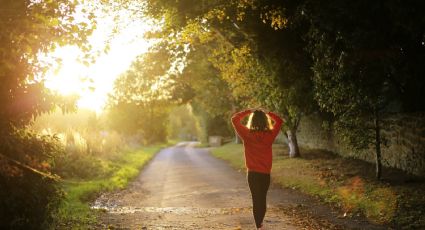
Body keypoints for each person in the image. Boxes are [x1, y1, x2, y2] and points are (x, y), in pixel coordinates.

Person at [231, 108, 283, 230]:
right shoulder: (270, 135)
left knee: (256, 199)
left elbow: (234, 119)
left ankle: (258, 226)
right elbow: (279, 121)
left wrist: (248, 111)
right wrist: (268, 113)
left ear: (252, 121)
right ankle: (260, 225)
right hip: (265, 174)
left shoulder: (247, 134)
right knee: (262, 198)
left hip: (252, 174)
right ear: (265, 121)